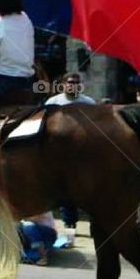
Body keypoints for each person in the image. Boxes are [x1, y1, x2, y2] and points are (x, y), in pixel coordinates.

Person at [44, 72, 95, 235]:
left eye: (76, 82)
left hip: (83, 154)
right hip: (62, 154)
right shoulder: (53, 102)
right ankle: (69, 226)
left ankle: (96, 226)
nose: (73, 85)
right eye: (70, 82)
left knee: (90, 191)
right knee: (66, 192)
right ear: (64, 84)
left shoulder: (88, 103)